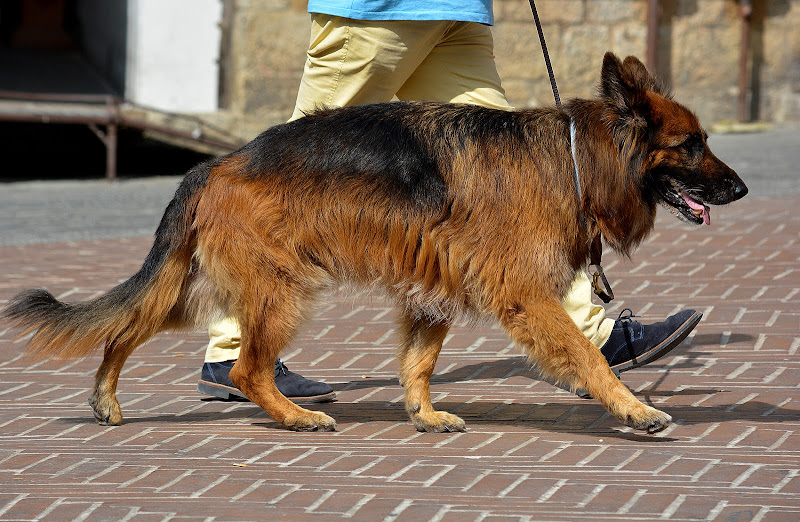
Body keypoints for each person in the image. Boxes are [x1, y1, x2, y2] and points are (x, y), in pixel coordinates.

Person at [197, 0, 702, 403]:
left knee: (519, 184)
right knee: (288, 173)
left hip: (458, 12)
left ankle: (586, 333)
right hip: (378, 11)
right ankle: (231, 352)